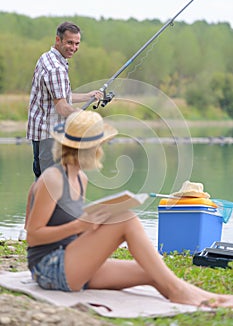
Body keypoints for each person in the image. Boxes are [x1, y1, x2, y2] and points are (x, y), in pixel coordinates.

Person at [25, 110, 233, 308]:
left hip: (72, 260)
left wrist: (94, 221)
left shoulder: (80, 178)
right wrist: (79, 225)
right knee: (126, 218)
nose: (102, 150)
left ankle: (211, 298)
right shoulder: (52, 179)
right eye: (101, 144)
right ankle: (182, 293)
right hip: (49, 268)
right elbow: (33, 236)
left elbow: (67, 226)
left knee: (149, 271)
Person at [26, 21, 102, 179]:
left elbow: (59, 96)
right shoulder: (56, 69)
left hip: (40, 132)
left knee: (43, 184)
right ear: (58, 40)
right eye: (69, 42)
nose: (73, 48)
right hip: (50, 135)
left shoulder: (46, 58)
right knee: (51, 185)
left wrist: (88, 96)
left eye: (77, 43)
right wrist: (83, 117)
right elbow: (61, 107)